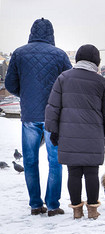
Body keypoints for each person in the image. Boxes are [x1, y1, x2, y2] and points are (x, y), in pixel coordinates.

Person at [5, 18, 72, 216]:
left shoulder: (19, 53)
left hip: (29, 116)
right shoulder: (60, 55)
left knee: (30, 161)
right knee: (55, 161)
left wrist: (25, 95)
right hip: (53, 116)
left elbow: (10, 84)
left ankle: (35, 204)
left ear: (32, 32)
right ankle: (52, 205)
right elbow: (68, 83)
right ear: (51, 33)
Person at [45, 44, 105, 220]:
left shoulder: (63, 78)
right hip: (93, 135)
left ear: (78, 59)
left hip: (68, 134)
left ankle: (77, 210)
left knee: (74, 173)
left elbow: (53, 107)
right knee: (91, 173)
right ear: (96, 61)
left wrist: (53, 130)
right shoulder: (101, 82)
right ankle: (93, 211)